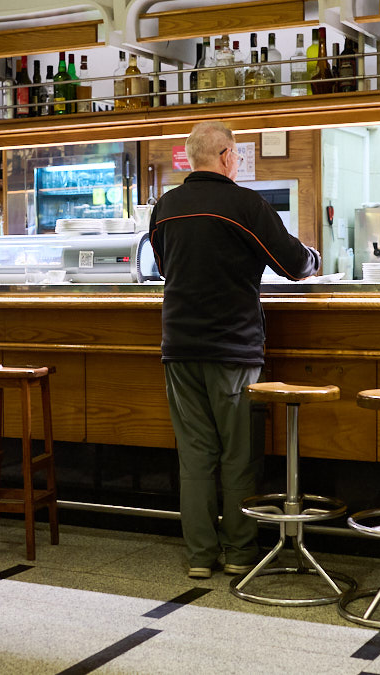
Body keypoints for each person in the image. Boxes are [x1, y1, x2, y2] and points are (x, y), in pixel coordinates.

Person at [149, 121, 321, 579]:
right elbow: (292, 263)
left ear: (189, 158)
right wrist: (315, 258)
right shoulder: (245, 204)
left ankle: (200, 556)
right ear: (227, 155)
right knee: (237, 456)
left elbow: (165, 268)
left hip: (179, 347)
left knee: (196, 454)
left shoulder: (165, 207)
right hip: (233, 347)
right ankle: (240, 552)